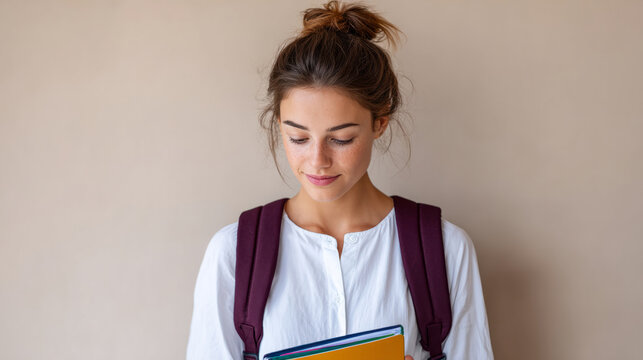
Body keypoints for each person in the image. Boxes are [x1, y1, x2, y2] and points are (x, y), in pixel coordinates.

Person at [186, 1, 493, 359]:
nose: (317, 161)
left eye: (341, 139)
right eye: (298, 138)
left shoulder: (445, 249)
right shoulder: (233, 253)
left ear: (380, 123)